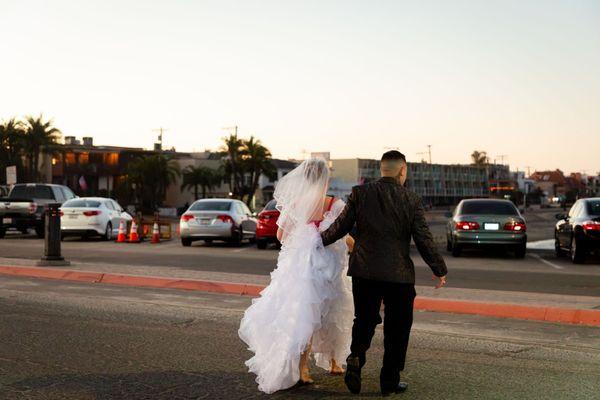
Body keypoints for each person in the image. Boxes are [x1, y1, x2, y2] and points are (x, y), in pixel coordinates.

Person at [320, 150, 448, 397]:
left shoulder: (360, 193)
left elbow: (340, 228)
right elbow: (424, 239)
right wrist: (439, 269)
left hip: (364, 271)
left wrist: (316, 241)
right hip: (398, 276)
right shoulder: (411, 200)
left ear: (382, 169)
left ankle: (356, 358)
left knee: (364, 320)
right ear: (403, 170)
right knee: (398, 329)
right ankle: (389, 381)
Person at [238, 157, 354, 394]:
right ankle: (334, 362)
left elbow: (281, 235)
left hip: (303, 269)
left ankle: (303, 368)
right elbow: (346, 236)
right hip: (329, 269)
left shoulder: (297, 204)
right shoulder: (336, 204)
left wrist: (304, 237)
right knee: (333, 311)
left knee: (305, 316)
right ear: (326, 178)